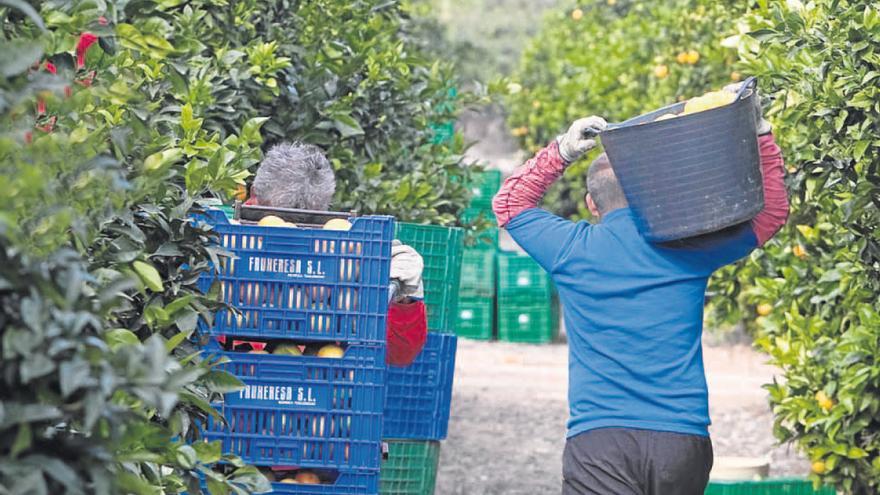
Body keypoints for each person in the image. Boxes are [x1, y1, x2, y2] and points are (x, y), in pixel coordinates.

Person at [491, 83, 789, 495]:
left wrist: (561, 151)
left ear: (592, 204)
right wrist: (759, 131)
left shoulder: (572, 252)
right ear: (652, 195)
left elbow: (510, 204)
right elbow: (772, 211)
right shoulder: (688, 250)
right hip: (681, 440)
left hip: (600, 440)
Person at [245, 141, 427, 366]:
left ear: (323, 212)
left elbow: (399, 355)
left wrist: (403, 300)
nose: (290, 231)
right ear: (254, 197)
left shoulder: (343, 251)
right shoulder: (223, 241)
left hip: (321, 380)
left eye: (304, 223)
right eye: (279, 218)